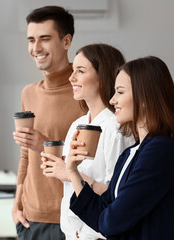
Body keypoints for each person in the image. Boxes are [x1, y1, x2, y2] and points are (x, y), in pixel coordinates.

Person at [66, 56, 174, 240]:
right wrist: (72, 172)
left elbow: (111, 221)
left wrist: (106, 217)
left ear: (144, 98)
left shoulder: (162, 150)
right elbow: (102, 213)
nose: (113, 100)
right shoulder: (131, 153)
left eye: (120, 92)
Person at [40, 43, 134, 239]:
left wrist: (70, 174)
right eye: (73, 70)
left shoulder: (115, 129)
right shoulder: (78, 125)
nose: (71, 77)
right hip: (72, 234)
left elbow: (117, 196)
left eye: (80, 71)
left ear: (102, 77)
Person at [12, 6, 86, 240]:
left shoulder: (86, 89)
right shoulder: (28, 93)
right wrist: (17, 203)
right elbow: (25, 156)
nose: (36, 48)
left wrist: (45, 145)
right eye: (31, 40)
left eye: (44, 39)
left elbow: (98, 159)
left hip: (72, 216)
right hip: (30, 219)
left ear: (66, 41)